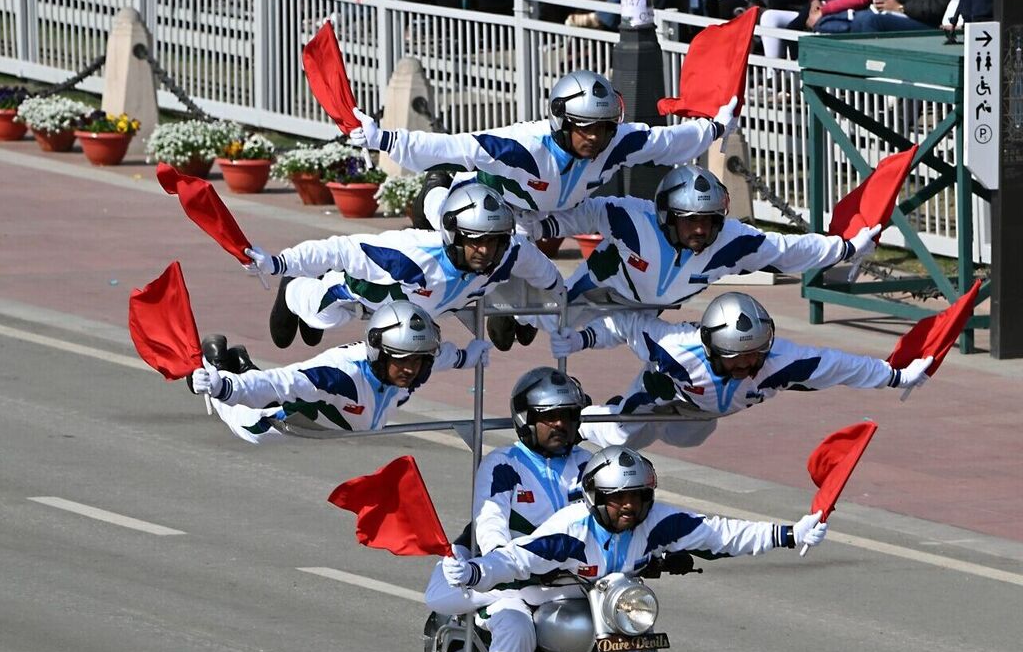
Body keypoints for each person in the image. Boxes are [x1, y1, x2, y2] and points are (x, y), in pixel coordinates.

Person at [427, 444, 829, 652]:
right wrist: (479, 571)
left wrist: (790, 533)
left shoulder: (655, 522)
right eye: (617, 497)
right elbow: (518, 558)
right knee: (514, 626)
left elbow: (718, 532)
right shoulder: (570, 529)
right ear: (595, 499)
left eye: (637, 496)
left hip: (603, 600)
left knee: (628, 640)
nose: (628, 506)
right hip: (536, 593)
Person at [553, 291, 935, 449]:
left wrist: (896, 375)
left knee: (688, 440)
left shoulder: (779, 360)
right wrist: (582, 339)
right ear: (713, 347)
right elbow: (625, 325)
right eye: (738, 359)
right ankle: (582, 416)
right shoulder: (672, 348)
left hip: (704, 414)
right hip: (664, 392)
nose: (750, 365)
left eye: (756, 354)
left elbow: (837, 365)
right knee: (623, 437)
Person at [346, 70, 736, 224]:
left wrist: (715, 125)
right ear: (561, 122)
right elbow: (453, 145)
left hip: (563, 213)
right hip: (496, 206)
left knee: (630, 215)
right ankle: (434, 192)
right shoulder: (522, 147)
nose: (597, 139)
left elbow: (667, 143)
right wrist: (382, 139)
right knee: (499, 260)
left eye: (604, 128)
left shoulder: (618, 141)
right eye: (586, 128)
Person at [528, 164, 882, 323]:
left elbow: (788, 251)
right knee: (545, 319)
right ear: (667, 214)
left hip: (646, 316)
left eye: (709, 220)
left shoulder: (732, 241)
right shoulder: (629, 217)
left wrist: (846, 247)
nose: (701, 229)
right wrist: (536, 224)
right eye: (691, 220)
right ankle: (517, 320)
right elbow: (582, 213)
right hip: (595, 296)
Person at [241, 181, 563, 350]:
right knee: (323, 316)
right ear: (453, 235)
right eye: (475, 240)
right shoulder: (407, 256)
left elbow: (549, 279)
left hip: (431, 309)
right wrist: (280, 263)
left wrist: (563, 302)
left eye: (493, 241)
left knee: (505, 326)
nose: (484, 250)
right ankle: (293, 290)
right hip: (358, 298)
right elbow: (337, 249)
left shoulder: (512, 250)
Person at [187, 300, 490, 443]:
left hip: (345, 422)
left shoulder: (415, 364)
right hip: (275, 423)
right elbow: (279, 382)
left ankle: (238, 365)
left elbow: (441, 356)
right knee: (246, 425)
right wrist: (223, 388)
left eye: (417, 359)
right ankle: (213, 365)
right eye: (401, 359)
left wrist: (468, 356)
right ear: (379, 352)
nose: (410, 368)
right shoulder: (341, 377)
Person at [472, 367, 594, 552]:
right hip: (523, 574)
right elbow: (490, 520)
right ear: (525, 419)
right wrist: (499, 557)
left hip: (583, 572)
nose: (560, 423)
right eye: (550, 416)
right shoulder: (503, 464)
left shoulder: (588, 463)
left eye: (567, 415)